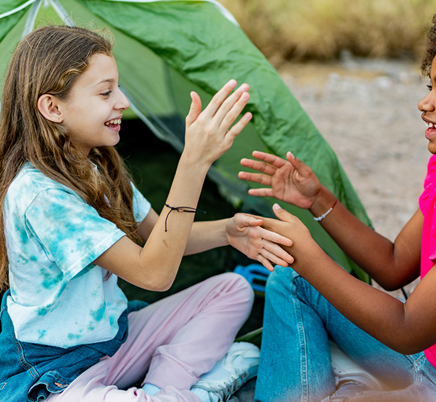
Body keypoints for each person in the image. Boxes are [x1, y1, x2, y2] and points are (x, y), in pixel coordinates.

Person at [238, 0, 436, 400]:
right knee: (292, 282)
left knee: (306, 273)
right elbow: (392, 266)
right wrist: (318, 199)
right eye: (430, 88)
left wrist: (309, 255)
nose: (425, 104)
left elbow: (407, 329)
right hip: (434, 358)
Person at [0, 25, 295, 402]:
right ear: (53, 108)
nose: (122, 101)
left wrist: (227, 231)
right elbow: (154, 273)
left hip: (114, 342)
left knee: (233, 290)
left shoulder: (95, 164)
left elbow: (161, 237)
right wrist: (193, 163)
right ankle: (193, 390)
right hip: (56, 369)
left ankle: (161, 389)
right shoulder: (40, 195)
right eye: (106, 92)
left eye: (118, 88)